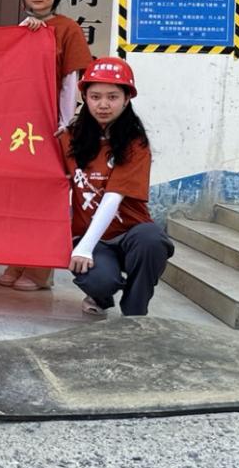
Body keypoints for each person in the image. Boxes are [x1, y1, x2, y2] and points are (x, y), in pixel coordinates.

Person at [0, 0, 94, 292]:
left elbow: (70, 81)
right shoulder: (22, 29)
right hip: (22, 128)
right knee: (19, 195)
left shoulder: (68, 29)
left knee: (46, 197)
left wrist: (64, 125)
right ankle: (17, 258)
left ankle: (41, 270)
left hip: (52, 127)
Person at [60, 57, 173, 317]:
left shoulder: (135, 142)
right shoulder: (69, 137)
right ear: (85, 97)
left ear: (126, 99)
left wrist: (85, 248)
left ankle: (135, 312)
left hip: (131, 234)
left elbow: (113, 197)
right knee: (100, 280)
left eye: (112, 97)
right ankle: (100, 294)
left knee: (153, 241)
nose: (103, 105)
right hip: (90, 235)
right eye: (95, 96)